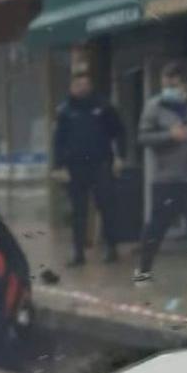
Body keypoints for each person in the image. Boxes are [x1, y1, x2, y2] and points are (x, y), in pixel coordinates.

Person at [134, 61, 187, 284]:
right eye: (166, 84)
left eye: (174, 84)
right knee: (156, 227)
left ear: (184, 84)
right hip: (166, 179)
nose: (169, 89)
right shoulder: (154, 106)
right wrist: (169, 136)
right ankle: (143, 271)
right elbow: (143, 138)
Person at [52, 72, 126, 266]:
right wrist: (58, 166)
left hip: (100, 164)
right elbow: (58, 141)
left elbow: (118, 132)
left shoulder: (103, 107)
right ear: (71, 87)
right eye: (78, 85)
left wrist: (120, 157)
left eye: (85, 84)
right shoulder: (65, 111)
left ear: (90, 86)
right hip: (75, 168)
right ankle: (78, 253)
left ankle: (112, 248)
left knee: (107, 207)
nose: (82, 88)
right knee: (78, 211)